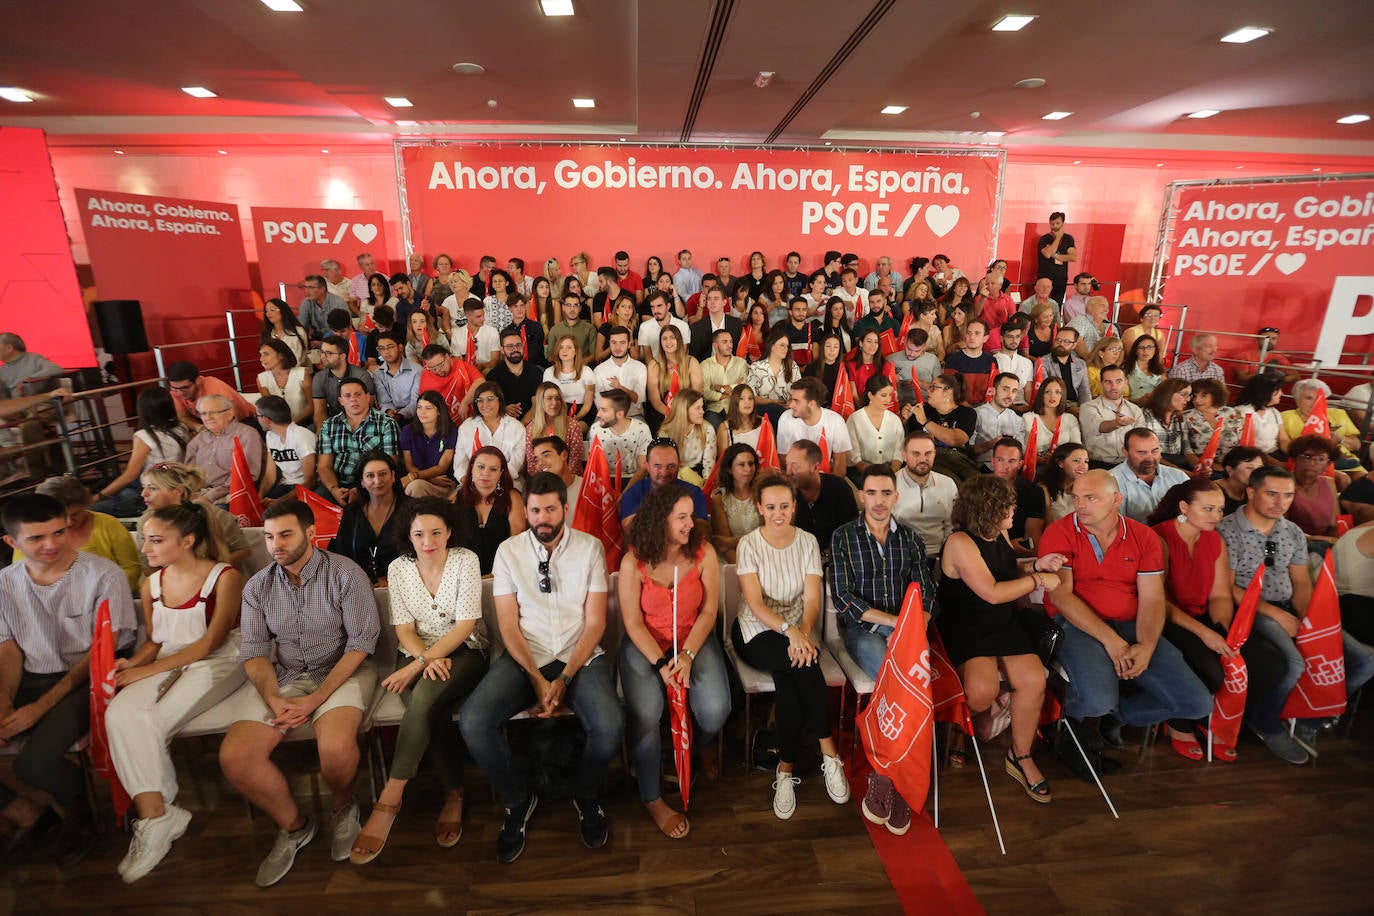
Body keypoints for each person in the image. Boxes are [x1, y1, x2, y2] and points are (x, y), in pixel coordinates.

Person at [459, 472, 624, 864]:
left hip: (579, 654)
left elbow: (596, 622)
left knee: (610, 724)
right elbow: (507, 625)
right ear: (527, 511)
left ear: (565, 509)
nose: (543, 517)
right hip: (525, 655)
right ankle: (518, 798)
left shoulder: (590, 548)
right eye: (535, 510)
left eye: (551, 508)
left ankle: (585, 794)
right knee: (473, 721)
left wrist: (564, 678)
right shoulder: (509, 552)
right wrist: (537, 678)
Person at [216, 500, 379, 887]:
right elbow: (254, 651)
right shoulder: (258, 585)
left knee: (336, 749)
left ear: (310, 532)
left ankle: (342, 806)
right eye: (270, 536)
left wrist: (316, 698)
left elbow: (361, 643)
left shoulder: (345, 574)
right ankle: (295, 826)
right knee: (236, 756)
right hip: (286, 675)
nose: (276, 545)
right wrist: (275, 699)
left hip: (342, 670)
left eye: (285, 534)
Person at [105, 503, 246, 882]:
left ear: (186, 541)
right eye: (144, 540)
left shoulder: (224, 577)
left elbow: (211, 643)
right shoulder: (150, 583)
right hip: (168, 659)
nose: (145, 549)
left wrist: (149, 670)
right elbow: (154, 641)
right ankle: (158, 815)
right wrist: (133, 665)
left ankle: (155, 816)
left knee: (149, 720)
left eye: (155, 540)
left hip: (221, 661)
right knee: (117, 713)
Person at [0, 494, 137, 866]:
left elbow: (102, 652)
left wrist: (39, 707)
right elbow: (9, 649)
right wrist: (6, 701)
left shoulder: (102, 575)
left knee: (32, 765)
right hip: (30, 674)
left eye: (59, 532)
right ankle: (25, 811)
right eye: (37, 538)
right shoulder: (5, 583)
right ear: (12, 542)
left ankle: (79, 809)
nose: (52, 544)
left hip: (88, 680)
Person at [348, 498, 487, 864]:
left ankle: (390, 798)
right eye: (419, 534)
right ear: (408, 537)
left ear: (449, 532)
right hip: (416, 651)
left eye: (436, 532)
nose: (428, 541)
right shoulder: (398, 568)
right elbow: (404, 628)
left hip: (465, 650)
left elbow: (466, 626)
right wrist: (423, 659)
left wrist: (415, 667)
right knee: (429, 708)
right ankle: (454, 793)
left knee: (422, 699)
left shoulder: (465, 560)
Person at [1218, 467, 1374, 759]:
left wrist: (1308, 619)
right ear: (1251, 493)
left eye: (1288, 495)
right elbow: (1227, 589)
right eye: (1272, 494)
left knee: (1365, 660)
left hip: (1290, 606)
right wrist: (1279, 616)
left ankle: (1307, 719)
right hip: (1250, 610)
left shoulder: (1290, 531)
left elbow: (1301, 582)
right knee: (1294, 663)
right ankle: (1265, 722)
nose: (1281, 502)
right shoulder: (1227, 530)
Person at [1145, 480, 1289, 763]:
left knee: (1271, 664)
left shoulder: (1214, 541)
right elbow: (1157, 600)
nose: (1216, 516)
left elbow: (1220, 595)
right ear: (1184, 507)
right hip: (1165, 618)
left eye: (1220, 509)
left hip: (1205, 617)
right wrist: (1206, 635)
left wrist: (1222, 631)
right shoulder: (1157, 537)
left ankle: (1216, 719)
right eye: (1208, 508)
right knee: (1210, 669)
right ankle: (1180, 724)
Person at [733, 473, 850, 818]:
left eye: (785, 505)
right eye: (771, 507)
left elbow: (812, 599)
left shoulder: (808, 542)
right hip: (756, 629)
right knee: (804, 667)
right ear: (759, 508)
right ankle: (830, 753)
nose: (778, 512)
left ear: (795, 506)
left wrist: (803, 632)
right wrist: (790, 632)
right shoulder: (749, 544)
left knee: (790, 685)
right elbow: (754, 604)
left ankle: (785, 771)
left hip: (801, 626)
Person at [829, 466, 937, 835]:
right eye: (871, 493)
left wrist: (912, 625)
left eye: (885, 493)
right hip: (864, 631)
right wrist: (894, 625)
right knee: (893, 686)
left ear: (895, 496)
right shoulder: (842, 536)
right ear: (861, 496)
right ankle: (889, 776)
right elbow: (843, 599)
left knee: (914, 688)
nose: (878, 501)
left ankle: (891, 779)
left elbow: (925, 592)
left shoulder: (910, 538)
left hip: (906, 633)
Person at [939, 475, 1060, 802]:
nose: (1014, 510)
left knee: (1034, 680)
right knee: (981, 691)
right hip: (967, 625)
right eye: (1009, 505)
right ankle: (962, 730)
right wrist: (1038, 579)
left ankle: (1020, 756)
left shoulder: (1000, 532)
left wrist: (1035, 563)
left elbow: (1006, 574)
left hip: (1003, 623)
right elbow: (992, 592)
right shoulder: (959, 542)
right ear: (988, 508)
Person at [617, 486, 729, 839]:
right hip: (647, 644)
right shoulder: (633, 560)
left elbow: (710, 609)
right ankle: (652, 797)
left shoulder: (703, 552)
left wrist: (689, 655)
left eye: (690, 515)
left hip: (692, 638)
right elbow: (632, 623)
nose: (689, 524)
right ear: (659, 520)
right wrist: (663, 664)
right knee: (647, 713)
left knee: (715, 709)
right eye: (681, 517)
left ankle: (703, 744)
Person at [91, 386, 190, 517]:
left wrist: (97, 497)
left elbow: (130, 475)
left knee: (93, 510)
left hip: (154, 488)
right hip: (174, 481)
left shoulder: (145, 436)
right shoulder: (181, 428)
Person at [139, 462, 252, 567]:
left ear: (178, 491)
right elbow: (147, 565)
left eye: (152, 488)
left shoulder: (214, 515)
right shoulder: (146, 521)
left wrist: (209, 571)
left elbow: (242, 550)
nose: (144, 494)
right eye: (143, 487)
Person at [316, 379, 401, 506]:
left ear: (367, 397)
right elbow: (324, 466)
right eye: (347, 396)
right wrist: (334, 490)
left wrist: (361, 489)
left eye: (358, 394)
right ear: (341, 401)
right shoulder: (329, 425)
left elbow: (391, 463)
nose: (353, 399)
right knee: (317, 503)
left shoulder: (386, 423)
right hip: (338, 482)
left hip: (374, 482)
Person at [330, 451, 408, 585]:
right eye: (370, 476)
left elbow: (421, 556)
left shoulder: (412, 510)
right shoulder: (351, 512)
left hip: (403, 586)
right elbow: (342, 556)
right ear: (362, 482)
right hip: (358, 586)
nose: (377, 481)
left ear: (393, 476)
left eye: (383, 473)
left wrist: (392, 581)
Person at [455, 446, 528, 575]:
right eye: (481, 467)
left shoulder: (512, 497)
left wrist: (498, 573)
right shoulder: (455, 499)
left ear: (501, 473)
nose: (486, 473)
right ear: (471, 468)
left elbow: (516, 539)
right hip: (463, 575)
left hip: (503, 573)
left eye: (493, 469)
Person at [183, 394, 264, 505]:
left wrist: (209, 497)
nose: (208, 417)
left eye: (213, 412)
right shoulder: (198, 439)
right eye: (203, 413)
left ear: (230, 413)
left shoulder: (247, 435)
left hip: (231, 496)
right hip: (198, 494)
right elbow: (188, 472)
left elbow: (246, 475)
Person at [892, 428, 957, 562]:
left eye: (928, 453)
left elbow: (952, 525)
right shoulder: (890, 484)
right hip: (901, 556)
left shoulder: (948, 484)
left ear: (934, 454)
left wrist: (945, 553)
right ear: (904, 455)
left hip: (940, 554)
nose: (923, 459)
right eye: (916, 454)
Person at [620, 439, 710, 534]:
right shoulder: (634, 492)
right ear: (647, 466)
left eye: (671, 466)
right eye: (657, 466)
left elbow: (703, 530)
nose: (664, 472)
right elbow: (629, 530)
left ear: (679, 465)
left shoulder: (694, 492)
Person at [902, 374, 980, 483]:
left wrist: (925, 422)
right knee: (949, 480)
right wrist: (905, 420)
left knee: (978, 483)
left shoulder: (967, 413)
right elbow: (907, 440)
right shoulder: (921, 409)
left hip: (958, 459)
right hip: (928, 459)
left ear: (948, 392)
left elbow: (956, 439)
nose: (928, 391)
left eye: (933, 387)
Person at [1281, 379, 1366, 475]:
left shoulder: (1338, 414)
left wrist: (1340, 439)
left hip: (1346, 462)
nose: (1315, 403)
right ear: (1297, 400)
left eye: (1319, 398)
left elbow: (1356, 445)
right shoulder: (1285, 417)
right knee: (1343, 479)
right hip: (1313, 464)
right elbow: (1285, 446)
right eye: (1309, 398)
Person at [786, 440, 858, 551]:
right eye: (787, 465)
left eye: (795, 466)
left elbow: (851, 529)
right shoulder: (786, 493)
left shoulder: (838, 488)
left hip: (837, 554)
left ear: (815, 468)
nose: (788, 472)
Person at [453, 382, 527, 486]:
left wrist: (492, 483)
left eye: (490, 399)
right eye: (480, 400)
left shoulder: (517, 428)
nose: (485, 405)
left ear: (500, 400)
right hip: (472, 483)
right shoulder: (466, 427)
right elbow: (460, 462)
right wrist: (469, 482)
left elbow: (516, 464)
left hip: (507, 483)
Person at [1110, 428, 1191, 523]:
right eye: (1142, 452)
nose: (1150, 458)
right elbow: (1115, 524)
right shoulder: (1111, 481)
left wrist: (1180, 525)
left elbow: (1192, 511)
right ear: (1126, 452)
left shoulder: (1178, 476)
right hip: (1137, 536)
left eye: (1155, 451)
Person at [778, 377, 853, 477]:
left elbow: (840, 467)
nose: (791, 405)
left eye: (796, 401)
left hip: (827, 477)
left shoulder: (836, 421)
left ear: (812, 404)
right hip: (796, 478)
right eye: (792, 399)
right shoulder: (786, 418)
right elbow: (784, 461)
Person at [988, 438, 1048, 553]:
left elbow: (1033, 537)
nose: (1005, 466)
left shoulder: (1033, 491)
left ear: (1020, 464)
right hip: (982, 549)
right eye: (1000, 460)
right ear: (992, 460)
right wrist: (1007, 545)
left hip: (1019, 552)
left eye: (1011, 461)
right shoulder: (976, 487)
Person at [1081, 366, 1144, 468]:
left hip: (1128, 464)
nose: (1114, 386)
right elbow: (1100, 426)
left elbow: (1141, 440)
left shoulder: (1135, 409)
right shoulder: (1088, 407)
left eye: (1118, 381)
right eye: (1108, 382)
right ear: (1101, 384)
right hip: (1098, 464)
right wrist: (1117, 423)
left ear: (1125, 382)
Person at [846, 374, 904, 484]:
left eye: (890, 395)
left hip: (891, 473)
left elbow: (899, 452)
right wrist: (873, 477)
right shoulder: (855, 419)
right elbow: (853, 455)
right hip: (861, 474)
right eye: (883, 395)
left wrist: (890, 473)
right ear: (870, 395)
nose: (888, 399)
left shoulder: (895, 420)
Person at [257, 395, 317, 499]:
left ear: (266, 419)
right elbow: (269, 476)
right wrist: (259, 497)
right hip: (286, 485)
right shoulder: (270, 435)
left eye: (257, 415)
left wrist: (279, 502)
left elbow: (310, 482)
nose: (256, 419)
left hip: (307, 488)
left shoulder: (302, 436)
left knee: (275, 511)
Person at [709, 443, 762, 563]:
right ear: (729, 469)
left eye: (751, 463)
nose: (748, 469)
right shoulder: (720, 498)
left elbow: (769, 537)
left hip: (762, 557)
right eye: (741, 465)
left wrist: (730, 541)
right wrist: (741, 571)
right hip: (732, 561)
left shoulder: (763, 494)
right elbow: (724, 547)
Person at [165, 361, 255, 431]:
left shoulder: (214, 387)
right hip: (209, 424)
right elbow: (183, 417)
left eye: (185, 388)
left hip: (244, 422)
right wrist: (199, 428)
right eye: (175, 388)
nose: (180, 393)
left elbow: (231, 419)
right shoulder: (175, 391)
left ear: (198, 381)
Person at [1286, 435, 1341, 542]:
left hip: (1325, 543)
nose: (1312, 463)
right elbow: (1281, 526)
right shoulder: (1283, 482)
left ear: (1327, 464)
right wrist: (1315, 539)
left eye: (1321, 459)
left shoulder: (1329, 483)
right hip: (1292, 541)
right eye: (1307, 457)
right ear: (1294, 458)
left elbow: (1334, 525)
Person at [312, 336, 376, 428]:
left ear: (342, 356)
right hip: (332, 421)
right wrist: (322, 431)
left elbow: (367, 408)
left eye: (328, 353)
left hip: (360, 421)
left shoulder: (362, 376)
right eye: (321, 352)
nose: (323, 356)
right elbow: (319, 412)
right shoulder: (319, 377)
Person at [524, 382, 586, 477]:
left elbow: (575, 463)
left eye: (558, 398)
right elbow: (532, 466)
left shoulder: (572, 426)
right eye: (549, 398)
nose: (555, 403)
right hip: (542, 481)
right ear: (541, 401)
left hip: (567, 480)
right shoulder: (531, 428)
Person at [646, 326, 702, 432]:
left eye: (672, 337)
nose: (668, 342)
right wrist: (671, 414)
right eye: (664, 338)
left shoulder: (691, 362)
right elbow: (655, 399)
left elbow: (697, 393)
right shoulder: (654, 364)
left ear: (679, 340)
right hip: (663, 410)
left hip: (689, 408)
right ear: (660, 342)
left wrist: (684, 413)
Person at [1184, 378, 1244, 473]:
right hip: (1202, 467)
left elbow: (1242, 443)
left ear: (1216, 396)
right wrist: (1208, 466)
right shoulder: (1186, 417)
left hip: (1234, 465)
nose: (1197, 400)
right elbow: (1187, 451)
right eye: (1194, 396)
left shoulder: (1232, 413)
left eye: (1203, 396)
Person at [658, 390, 716, 485]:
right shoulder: (666, 432)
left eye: (702, 407)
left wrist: (706, 484)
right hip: (672, 477)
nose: (702, 412)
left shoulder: (708, 429)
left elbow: (709, 464)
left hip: (698, 476)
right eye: (698, 408)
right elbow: (665, 465)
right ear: (683, 410)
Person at [593, 390, 654, 483]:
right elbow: (593, 466)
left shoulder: (642, 429)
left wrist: (624, 494)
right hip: (604, 480)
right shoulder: (595, 429)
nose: (598, 414)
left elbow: (643, 469)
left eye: (604, 410)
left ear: (620, 414)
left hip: (633, 479)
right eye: (599, 409)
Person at [747, 328, 802, 428]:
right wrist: (773, 402)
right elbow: (751, 397)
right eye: (782, 345)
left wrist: (791, 402)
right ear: (771, 346)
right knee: (775, 409)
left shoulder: (792, 366)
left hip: (789, 410)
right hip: (764, 411)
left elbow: (800, 391)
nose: (785, 349)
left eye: (787, 346)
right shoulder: (756, 367)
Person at [485, 328, 544, 420]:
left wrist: (521, 426)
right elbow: (489, 405)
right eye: (510, 346)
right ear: (502, 349)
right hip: (502, 422)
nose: (515, 349)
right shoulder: (493, 376)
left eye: (518, 345)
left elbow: (536, 406)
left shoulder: (535, 372)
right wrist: (502, 409)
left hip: (531, 422)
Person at [971, 373, 1026, 468]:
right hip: (981, 467)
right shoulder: (976, 414)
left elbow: (1021, 452)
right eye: (1005, 389)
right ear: (993, 390)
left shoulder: (1017, 420)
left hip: (1008, 468)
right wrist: (991, 444)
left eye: (1014, 391)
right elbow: (968, 451)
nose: (1009, 395)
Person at [593, 323, 647, 418]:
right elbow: (599, 402)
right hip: (607, 417)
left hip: (634, 415)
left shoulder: (640, 367)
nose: (617, 347)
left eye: (622, 342)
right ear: (609, 343)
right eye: (614, 342)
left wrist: (620, 387)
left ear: (629, 344)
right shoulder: (599, 370)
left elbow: (637, 399)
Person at [700, 328, 749, 428]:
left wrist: (719, 388)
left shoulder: (741, 363)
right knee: (711, 426)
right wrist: (731, 391)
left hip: (738, 409)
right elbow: (705, 392)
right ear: (715, 345)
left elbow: (744, 389)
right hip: (714, 410)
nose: (730, 345)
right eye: (724, 342)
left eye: (731, 341)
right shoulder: (705, 365)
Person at [1024, 377, 1082, 461]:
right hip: (1035, 464)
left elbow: (1077, 447)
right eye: (1047, 392)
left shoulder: (1070, 419)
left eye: (1057, 392)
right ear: (1041, 394)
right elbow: (1022, 449)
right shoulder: (1028, 418)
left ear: (1062, 395)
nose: (1052, 396)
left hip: (1063, 464)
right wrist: (1038, 459)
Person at [257, 339, 313, 426]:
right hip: (279, 426)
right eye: (260, 355)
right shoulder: (262, 379)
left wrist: (292, 424)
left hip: (305, 423)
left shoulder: (302, 373)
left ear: (281, 355)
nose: (261, 359)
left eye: (266, 354)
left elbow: (312, 406)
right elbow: (269, 411)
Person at [1141, 378, 1196, 468]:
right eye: (1184, 394)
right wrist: (1178, 471)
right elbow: (1147, 453)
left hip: (1176, 463)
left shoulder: (1181, 418)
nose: (1188, 399)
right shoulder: (1146, 415)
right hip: (1153, 465)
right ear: (1168, 394)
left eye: (1190, 395)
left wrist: (1200, 466)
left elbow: (1187, 451)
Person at [1234, 373, 1290, 459]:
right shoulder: (1242, 412)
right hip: (1253, 457)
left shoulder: (1274, 412)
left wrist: (1293, 455)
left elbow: (1283, 439)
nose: (1282, 393)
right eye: (1278, 391)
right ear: (1266, 393)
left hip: (1274, 453)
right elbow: (1244, 446)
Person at [418, 344, 476, 425]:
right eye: (433, 368)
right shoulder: (426, 376)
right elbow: (423, 404)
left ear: (447, 356)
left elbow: (480, 382)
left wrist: (465, 402)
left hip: (469, 419)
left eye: (441, 365)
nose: (438, 370)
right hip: (441, 423)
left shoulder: (461, 366)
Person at [543, 335, 596, 423]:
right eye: (561, 347)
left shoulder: (587, 371)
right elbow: (546, 400)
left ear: (576, 351)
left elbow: (588, 403)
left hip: (581, 412)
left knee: (573, 430)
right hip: (556, 410)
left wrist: (577, 418)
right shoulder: (549, 372)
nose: (564, 350)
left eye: (569, 347)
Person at [372, 330, 421, 425]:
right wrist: (389, 412)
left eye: (390, 347)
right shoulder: (378, 374)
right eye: (381, 348)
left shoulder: (417, 370)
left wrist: (400, 415)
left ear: (400, 347)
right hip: (389, 418)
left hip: (414, 418)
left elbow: (415, 402)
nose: (386, 352)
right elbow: (384, 401)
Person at [943, 318, 997, 405]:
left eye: (977, 333)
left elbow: (994, 389)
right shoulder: (953, 360)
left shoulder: (991, 361)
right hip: (959, 406)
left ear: (985, 338)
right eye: (969, 333)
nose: (971, 337)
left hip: (985, 406)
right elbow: (949, 391)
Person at [532, 435, 583, 518]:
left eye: (546, 455)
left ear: (564, 455)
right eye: (536, 460)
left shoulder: (586, 488)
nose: (540, 463)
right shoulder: (536, 494)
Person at [1041, 325, 1092, 407]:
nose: (1061, 344)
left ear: (1074, 345)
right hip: (1054, 406)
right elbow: (1045, 391)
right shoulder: (1043, 362)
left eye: (1066, 342)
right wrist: (1068, 408)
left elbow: (1085, 391)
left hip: (1077, 405)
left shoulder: (1081, 363)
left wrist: (1085, 410)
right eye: (1058, 340)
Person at [0, 332, 62, 398]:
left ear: (9, 348)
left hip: (40, 403)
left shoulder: (34, 359)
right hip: (16, 406)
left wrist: (28, 379)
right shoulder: (2, 370)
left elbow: (56, 369)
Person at [1042, 443, 1090, 523]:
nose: (1083, 466)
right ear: (1060, 463)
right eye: (1076, 461)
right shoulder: (1045, 489)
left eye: (1086, 461)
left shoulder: (1090, 488)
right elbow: (1049, 526)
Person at [1235, 327, 1300, 385]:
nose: (1270, 341)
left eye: (1274, 338)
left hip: (1270, 394)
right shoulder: (1245, 356)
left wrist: (1276, 379)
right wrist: (1264, 375)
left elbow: (1295, 376)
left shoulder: (1278, 357)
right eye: (1267, 338)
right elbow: (1241, 379)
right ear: (1258, 339)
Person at [1037, 211, 1077, 303]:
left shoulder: (1068, 239)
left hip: (1060, 278)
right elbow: (1047, 254)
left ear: (1062, 223)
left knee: (1057, 305)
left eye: (1057, 223)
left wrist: (1055, 256)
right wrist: (1058, 237)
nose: (1055, 226)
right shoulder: (1044, 238)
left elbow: (1073, 257)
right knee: (1041, 303)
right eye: (1052, 224)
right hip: (1045, 277)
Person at [258, 295, 309, 363]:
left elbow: (300, 357)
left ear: (283, 311)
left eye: (272, 310)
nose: (268, 313)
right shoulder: (267, 334)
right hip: (274, 372)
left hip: (296, 370)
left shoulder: (298, 331)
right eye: (266, 311)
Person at [546, 292, 596, 361]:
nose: (572, 309)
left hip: (583, 368)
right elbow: (550, 356)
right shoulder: (555, 330)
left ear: (580, 308)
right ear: (563, 307)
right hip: (560, 369)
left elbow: (593, 355)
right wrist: (564, 367)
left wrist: (578, 366)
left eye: (575, 305)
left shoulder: (590, 328)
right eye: (569, 305)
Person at [296, 274, 347, 340]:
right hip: (314, 338)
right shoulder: (306, 302)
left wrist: (322, 343)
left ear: (322, 289)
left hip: (335, 339)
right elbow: (301, 326)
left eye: (311, 287)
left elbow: (342, 331)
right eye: (305, 287)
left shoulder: (338, 303)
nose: (306, 291)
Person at [1218, 446, 1265, 514]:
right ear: (1230, 470)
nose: (1256, 472)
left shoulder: (1256, 489)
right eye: (1249, 467)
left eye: (1259, 468)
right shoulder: (1213, 491)